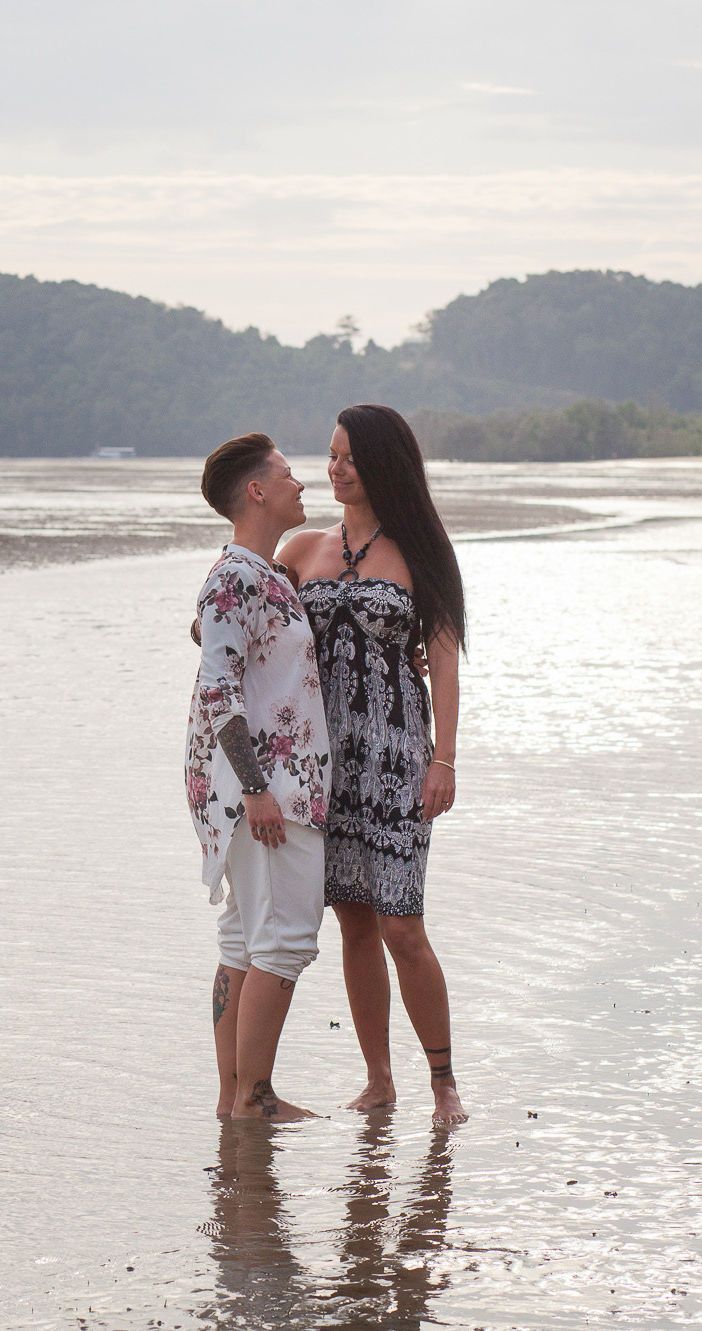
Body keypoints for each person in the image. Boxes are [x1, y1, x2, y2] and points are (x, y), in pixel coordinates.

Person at [278, 404, 470, 1124]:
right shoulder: (300, 551)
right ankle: (378, 1079)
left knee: (402, 926)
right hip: (324, 765)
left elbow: (445, 665)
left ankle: (444, 1081)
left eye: (350, 457)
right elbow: (237, 612)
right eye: (330, 455)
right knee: (353, 923)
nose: (335, 468)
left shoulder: (420, 552)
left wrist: (443, 759)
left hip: (396, 759)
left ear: (384, 463)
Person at [186, 432, 331, 1122]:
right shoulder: (234, 575)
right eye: (288, 474)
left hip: (275, 784)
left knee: (246, 936)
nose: (301, 483)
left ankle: (235, 1099)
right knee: (285, 939)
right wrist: (255, 788)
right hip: (270, 789)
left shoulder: (258, 574)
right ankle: (253, 1095)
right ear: (257, 491)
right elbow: (219, 691)